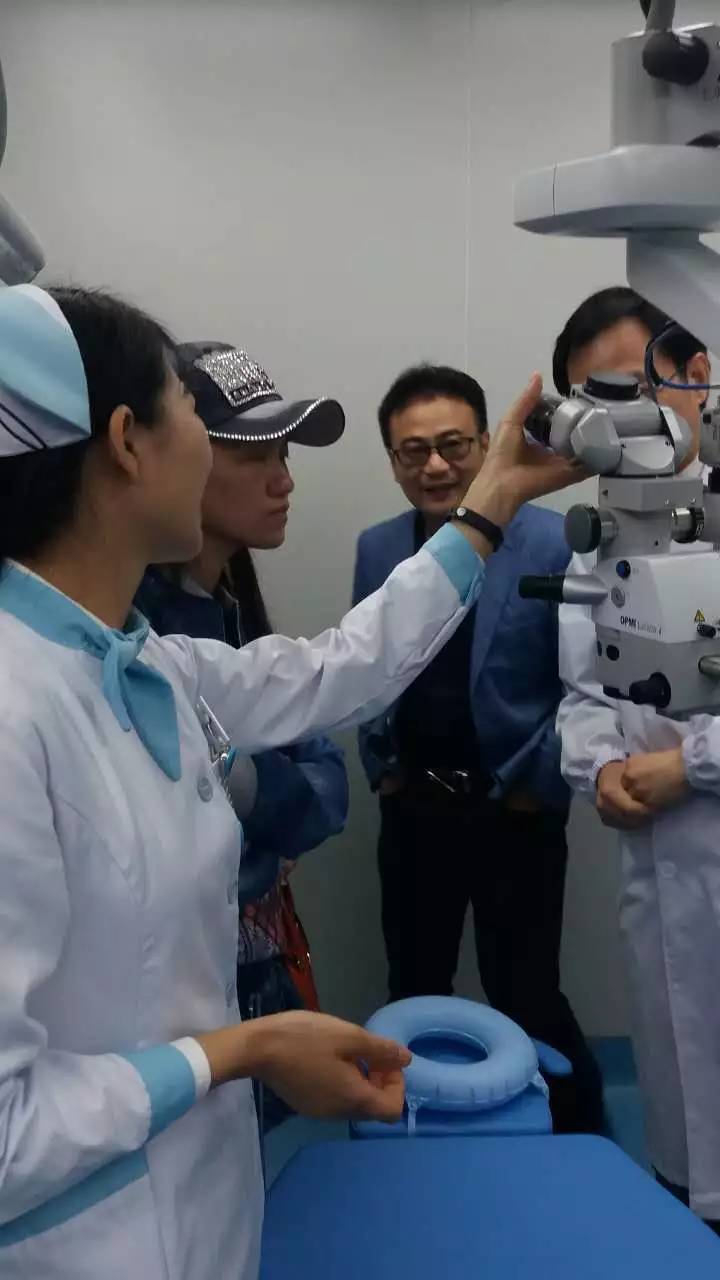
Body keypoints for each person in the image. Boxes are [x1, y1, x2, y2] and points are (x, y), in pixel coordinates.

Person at [0, 283, 580, 1279]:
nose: (269, 470)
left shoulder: (144, 660)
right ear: (130, 440)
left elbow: (341, 667)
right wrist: (244, 1050)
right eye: (193, 415)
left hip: (202, 1202)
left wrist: (488, 508)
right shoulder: (17, 706)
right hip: (89, 1241)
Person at [352, 363, 603, 1135]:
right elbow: (364, 670)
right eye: (413, 451)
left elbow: (585, 687)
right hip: (414, 811)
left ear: (488, 444)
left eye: (454, 445)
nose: (434, 465)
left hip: (515, 814)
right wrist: (384, 771)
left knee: (526, 994)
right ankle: (413, 1142)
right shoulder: (378, 547)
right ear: (393, 460)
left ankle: (580, 1141)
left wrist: (536, 789)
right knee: (411, 988)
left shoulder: (555, 542)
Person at [136, 340, 350, 1132]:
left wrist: (252, 790)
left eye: (283, 454)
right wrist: (259, 806)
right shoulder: (137, 629)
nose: (282, 479)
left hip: (251, 971)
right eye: (254, 455)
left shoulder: (230, 604)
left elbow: (327, 790)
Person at [554, 286, 720, 1225]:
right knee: (682, 1140)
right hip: (656, 875)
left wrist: (692, 764)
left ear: (697, 374)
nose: (613, 428)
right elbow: (583, 693)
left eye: (629, 392)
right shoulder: (604, 538)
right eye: (592, 406)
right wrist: (601, 769)